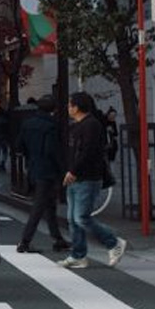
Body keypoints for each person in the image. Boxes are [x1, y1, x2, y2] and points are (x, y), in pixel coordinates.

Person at [59, 92, 127, 269]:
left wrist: (72, 171)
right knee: (73, 219)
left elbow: (88, 152)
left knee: (81, 217)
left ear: (76, 107)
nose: (68, 107)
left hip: (87, 178)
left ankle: (113, 243)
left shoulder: (91, 125)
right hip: (76, 177)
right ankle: (78, 255)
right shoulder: (78, 125)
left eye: (69, 104)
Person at [16, 95, 71, 253]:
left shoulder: (27, 124)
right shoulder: (51, 126)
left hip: (33, 167)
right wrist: (63, 170)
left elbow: (19, 145)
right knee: (39, 206)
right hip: (47, 170)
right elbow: (52, 150)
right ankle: (25, 241)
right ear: (53, 110)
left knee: (49, 206)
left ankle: (58, 239)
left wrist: (29, 157)